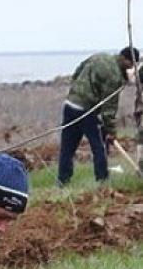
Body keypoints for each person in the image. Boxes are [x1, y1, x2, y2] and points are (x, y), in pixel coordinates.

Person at [57, 46, 138, 186]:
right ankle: (102, 180)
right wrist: (111, 132)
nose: (132, 68)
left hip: (70, 104)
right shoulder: (115, 77)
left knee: (67, 147)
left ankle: (62, 180)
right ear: (127, 61)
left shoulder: (99, 56)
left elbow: (78, 72)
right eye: (132, 64)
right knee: (99, 146)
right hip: (86, 111)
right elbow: (109, 108)